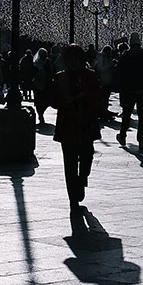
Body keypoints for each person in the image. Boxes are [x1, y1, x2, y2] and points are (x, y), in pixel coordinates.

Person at [49, 45, 104, 208]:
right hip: (67, 124)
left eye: (76, 59)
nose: (73, 63)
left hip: (87, 123)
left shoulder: (90, 75)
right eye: (70, 59)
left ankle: (83, 177)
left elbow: (98, 95)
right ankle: (73, 196)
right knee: (70, 162)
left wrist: (84, 96)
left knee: (87, 156)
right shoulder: (60, 77)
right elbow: (53, 100)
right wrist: (67, 100)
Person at [116, 34, 143, 150]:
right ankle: (141, 140)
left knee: (126, 115)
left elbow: (120, 73)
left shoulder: (125, 55)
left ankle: (123, 136)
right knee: (142, 117)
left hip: (129, 90)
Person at [94, 45, 117, 120]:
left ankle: (104, 111)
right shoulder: (102, 58)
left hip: (107, 80)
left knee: (106, 97)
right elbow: (100, 69)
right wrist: (110, 66)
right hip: (103, 81)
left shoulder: (107, 58)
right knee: (103, 98)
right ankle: (102, 112)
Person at [32, 47, 53, 124]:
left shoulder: (48, 62)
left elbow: (51, 71)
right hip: (38, 84)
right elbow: (32, 73)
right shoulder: (36, 62)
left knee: (46, 100)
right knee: (38, 101)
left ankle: (42, 112)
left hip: (46, 84)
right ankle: (40, 114)